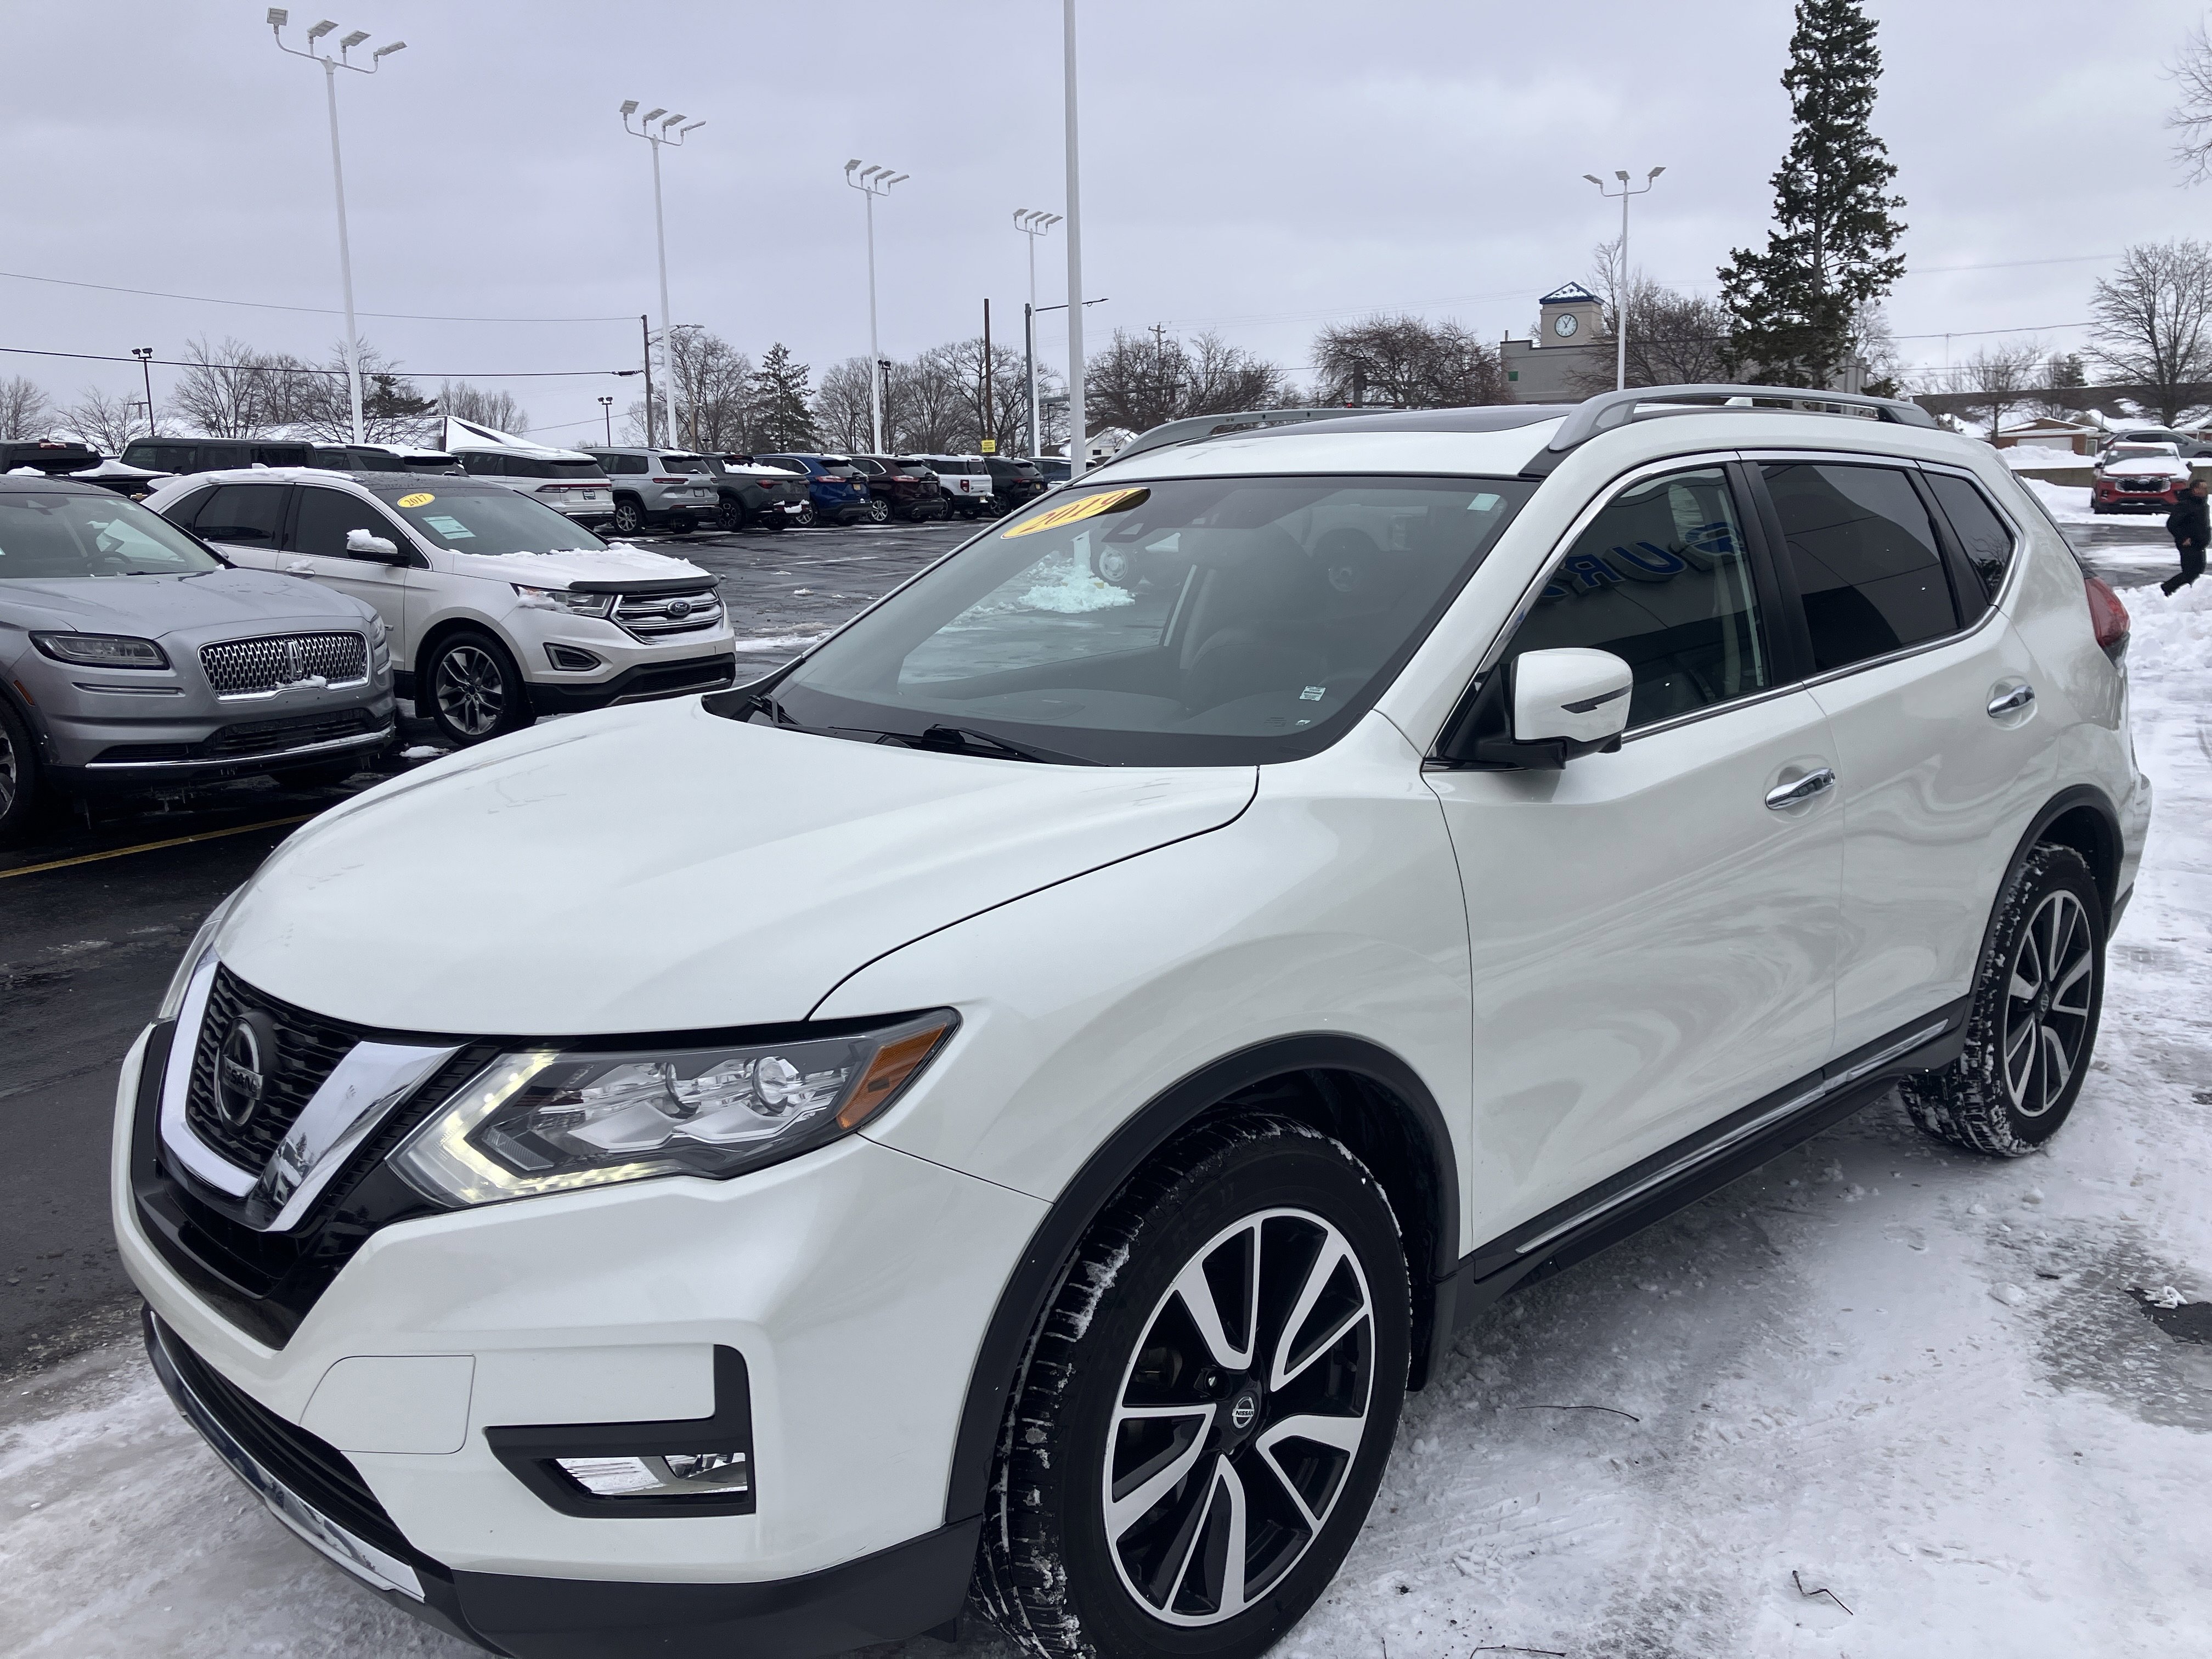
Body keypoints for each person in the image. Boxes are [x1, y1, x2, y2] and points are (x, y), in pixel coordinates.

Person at [2163, 476, 2210, 595]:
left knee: (2198, 573)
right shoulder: (2186, 504)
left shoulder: (2202, 504)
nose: (2205, 491)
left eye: (2206, 488)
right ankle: (2167, 589)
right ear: (2194, 490)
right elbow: (2172, 524)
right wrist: (2183, 538)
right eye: (2202, 488)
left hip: (2200, 544)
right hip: (2188, 545)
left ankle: (2189, 595)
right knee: (2190, 573)